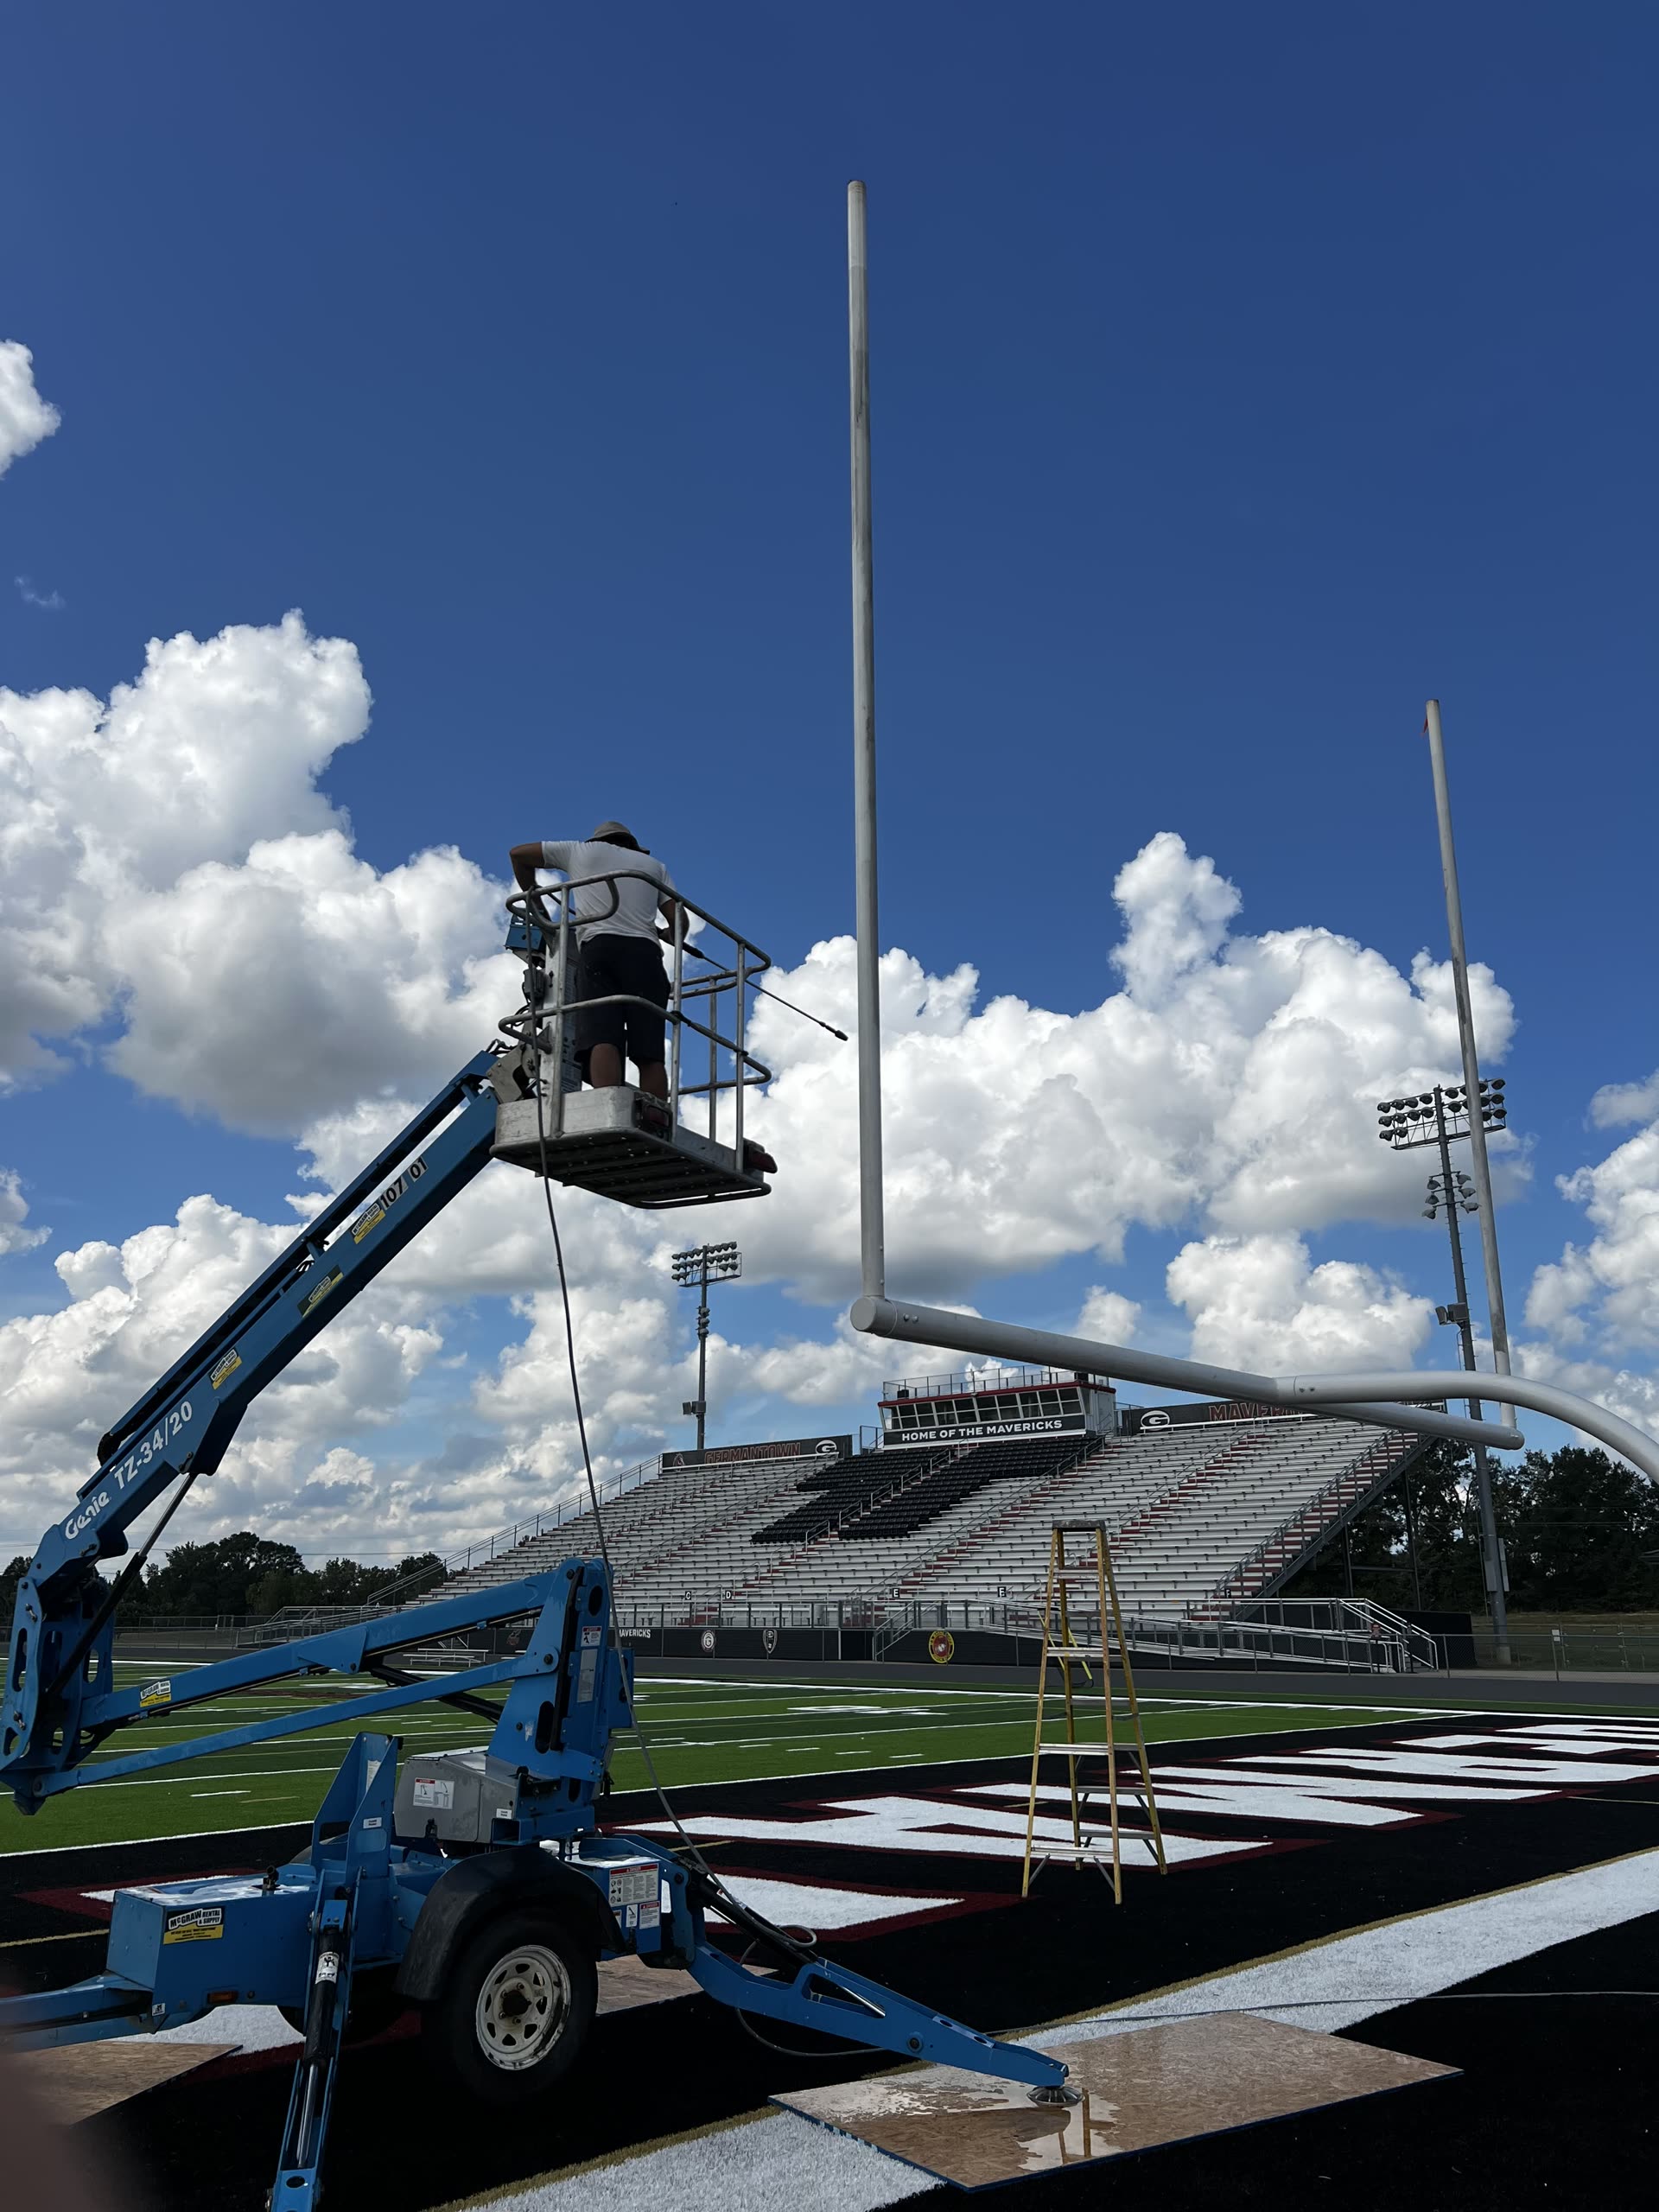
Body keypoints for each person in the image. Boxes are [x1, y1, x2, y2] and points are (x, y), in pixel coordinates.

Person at [509, 821, 679, 1098]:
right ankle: (656, 1116)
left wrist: (537, 903)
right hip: (645, 955)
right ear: (633, 846)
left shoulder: (581, 852)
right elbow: (679, 922)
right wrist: (667, 933)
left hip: (600, 948)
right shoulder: (655, 867)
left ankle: (609, 1107)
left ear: (598, 840)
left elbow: (518, 854)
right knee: (650, 1053)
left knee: (603, 1035)